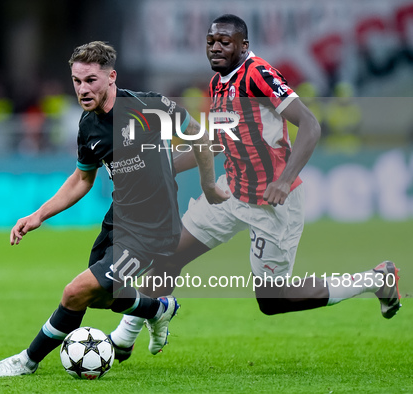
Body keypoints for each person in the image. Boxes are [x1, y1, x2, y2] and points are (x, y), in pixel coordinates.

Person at [109, 14, 402, 361]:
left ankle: (377, 279)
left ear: (244, 45)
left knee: (273, 302)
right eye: (211, 42)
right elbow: (216, 142)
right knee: (168, 254)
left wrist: (283, 179)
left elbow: (310, 125)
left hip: (273, 201)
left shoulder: (258, 74)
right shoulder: (219, 83)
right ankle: (123, 339)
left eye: (225, 42)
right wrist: (162, 167)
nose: (216, 47)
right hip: (231, 190)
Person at [0, 41, 223, 377]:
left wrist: (208, 186)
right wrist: (38, 216)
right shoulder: (88, 125)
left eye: (91, 80)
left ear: (112, 77)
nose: (83, 89)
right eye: (77, 81)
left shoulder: (149, 107)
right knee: (97, 299)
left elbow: (202, 141)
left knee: (74, 291)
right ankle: (158, 308)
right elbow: (82, 179)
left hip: (153, 228)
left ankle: (27, 361)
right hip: (118, 220)